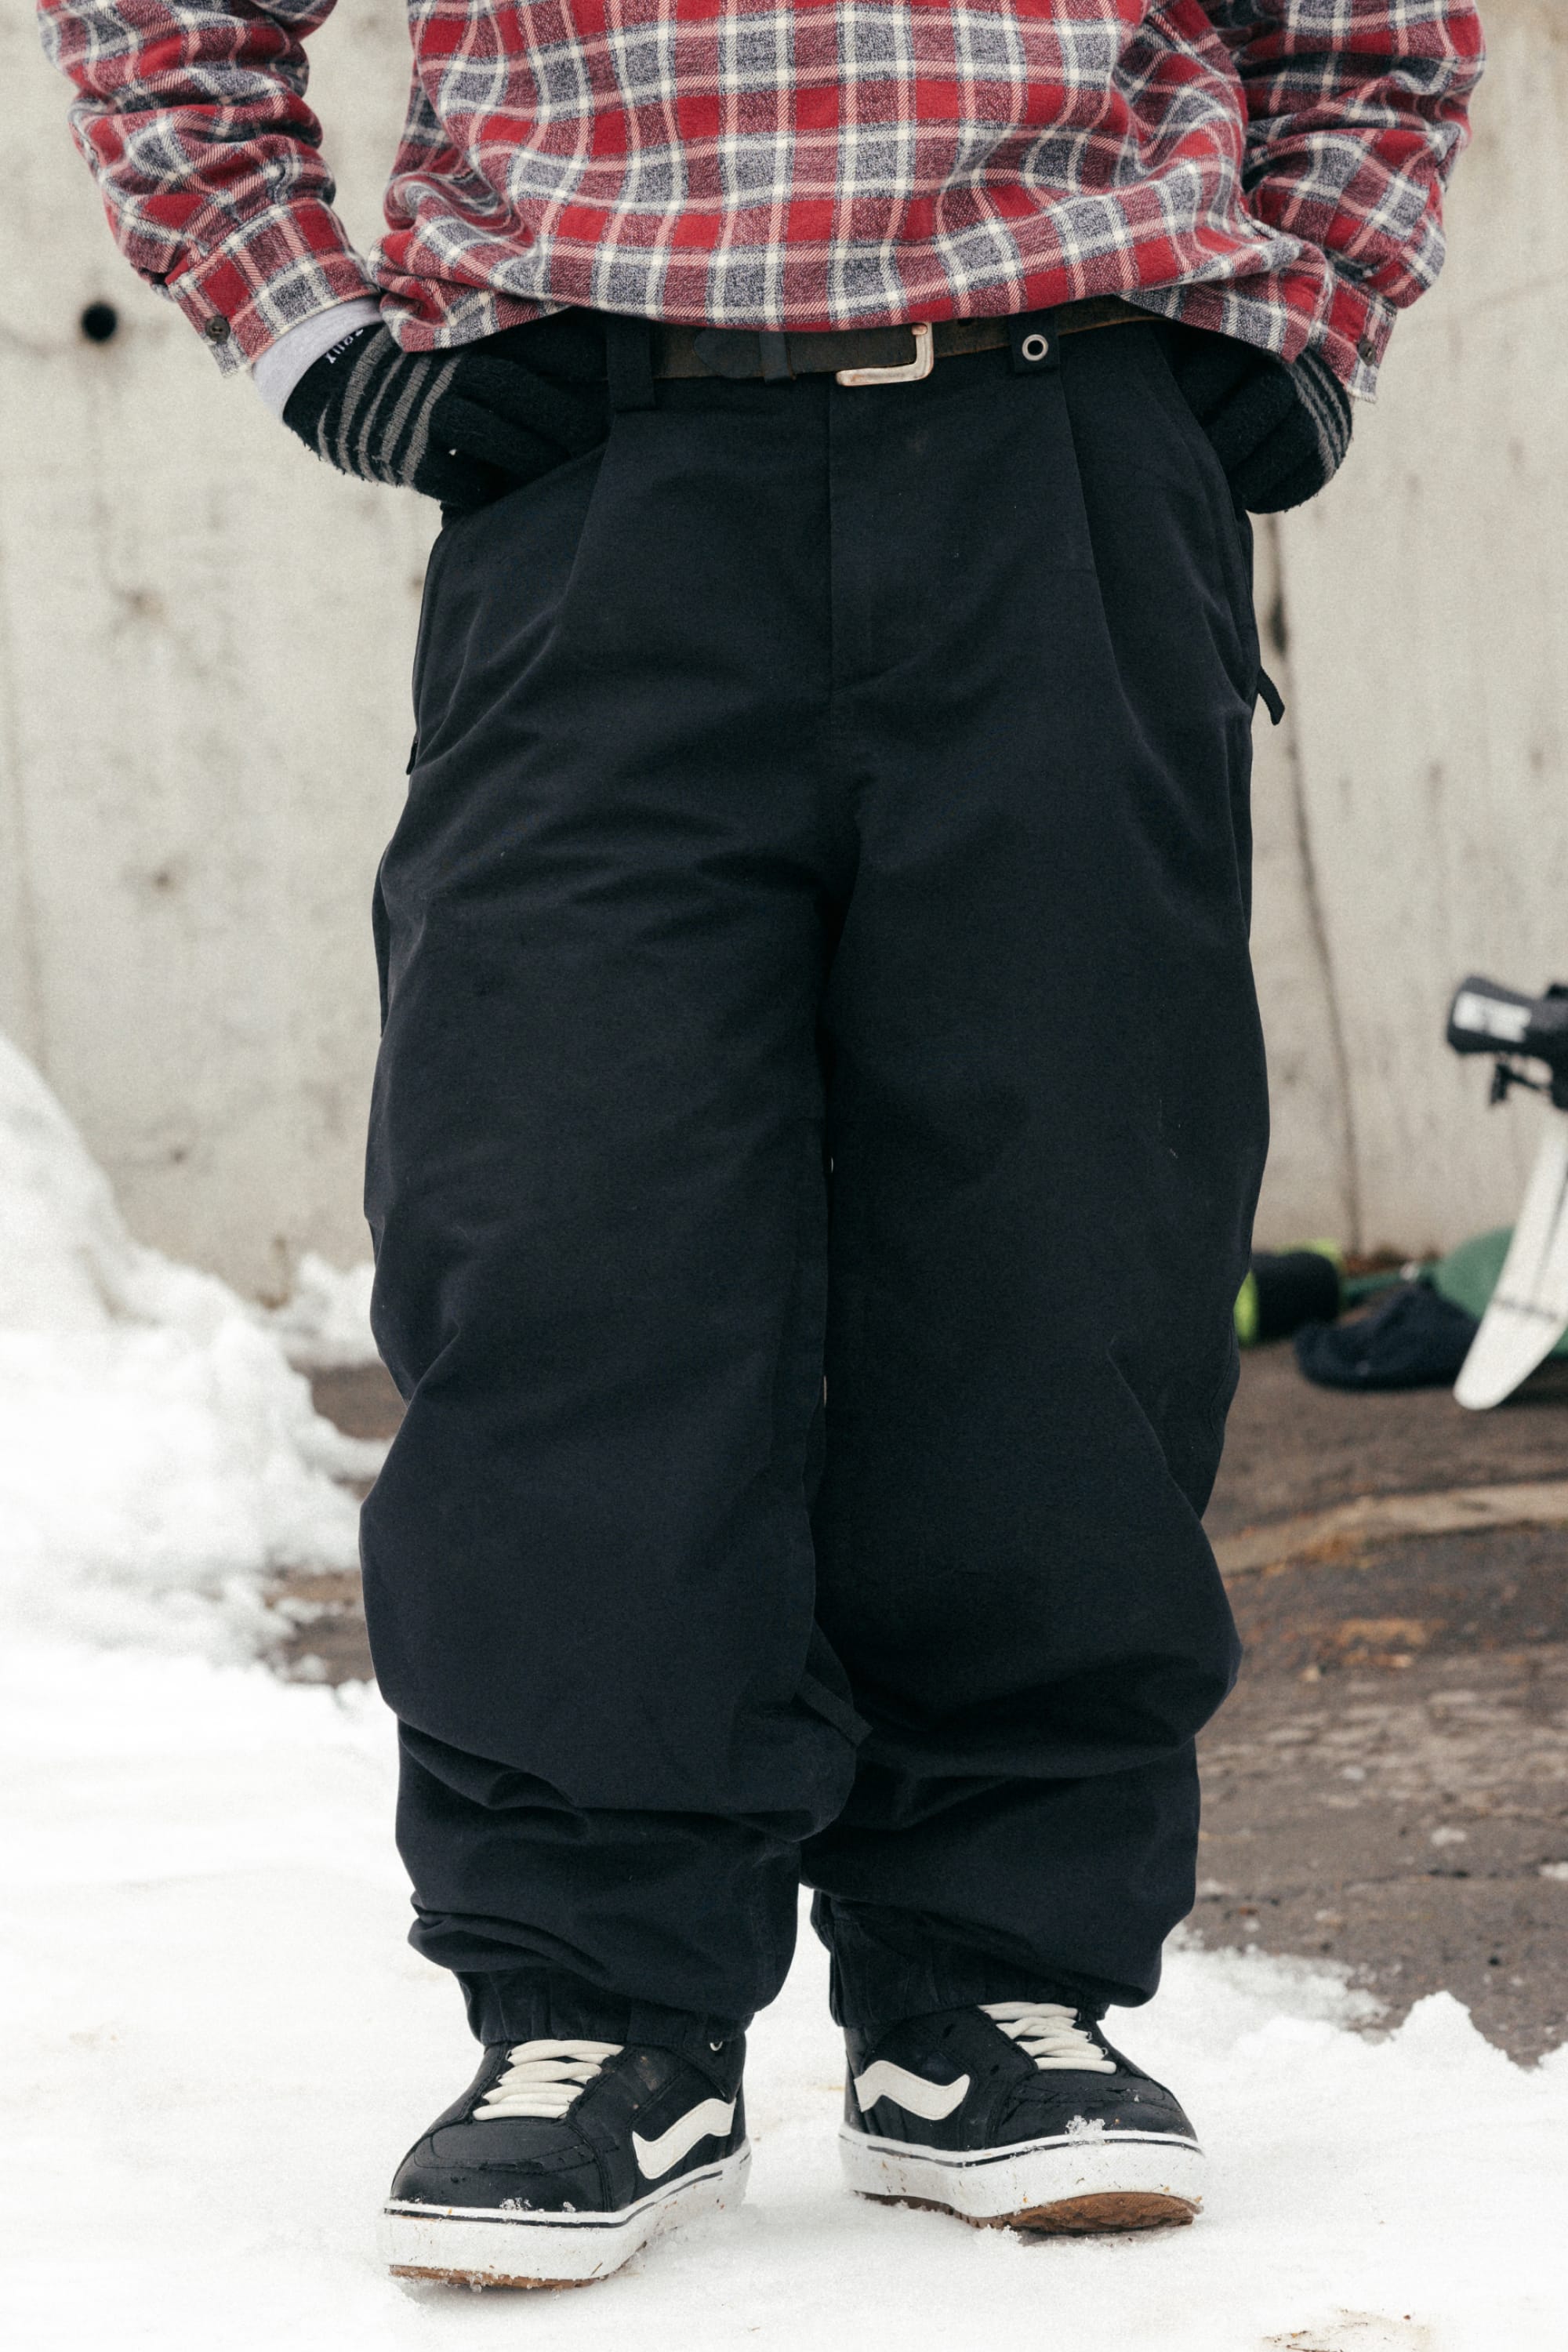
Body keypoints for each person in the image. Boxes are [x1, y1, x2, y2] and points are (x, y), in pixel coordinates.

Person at [40, 0, 1481, 2289]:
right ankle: (601, 2013)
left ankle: (991, 1986)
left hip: (1066, 454)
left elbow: (1379, 27)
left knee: (1060, 1240)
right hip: (608, 479)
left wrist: (1299, 324)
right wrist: (320, 332)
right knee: (566, 1228)